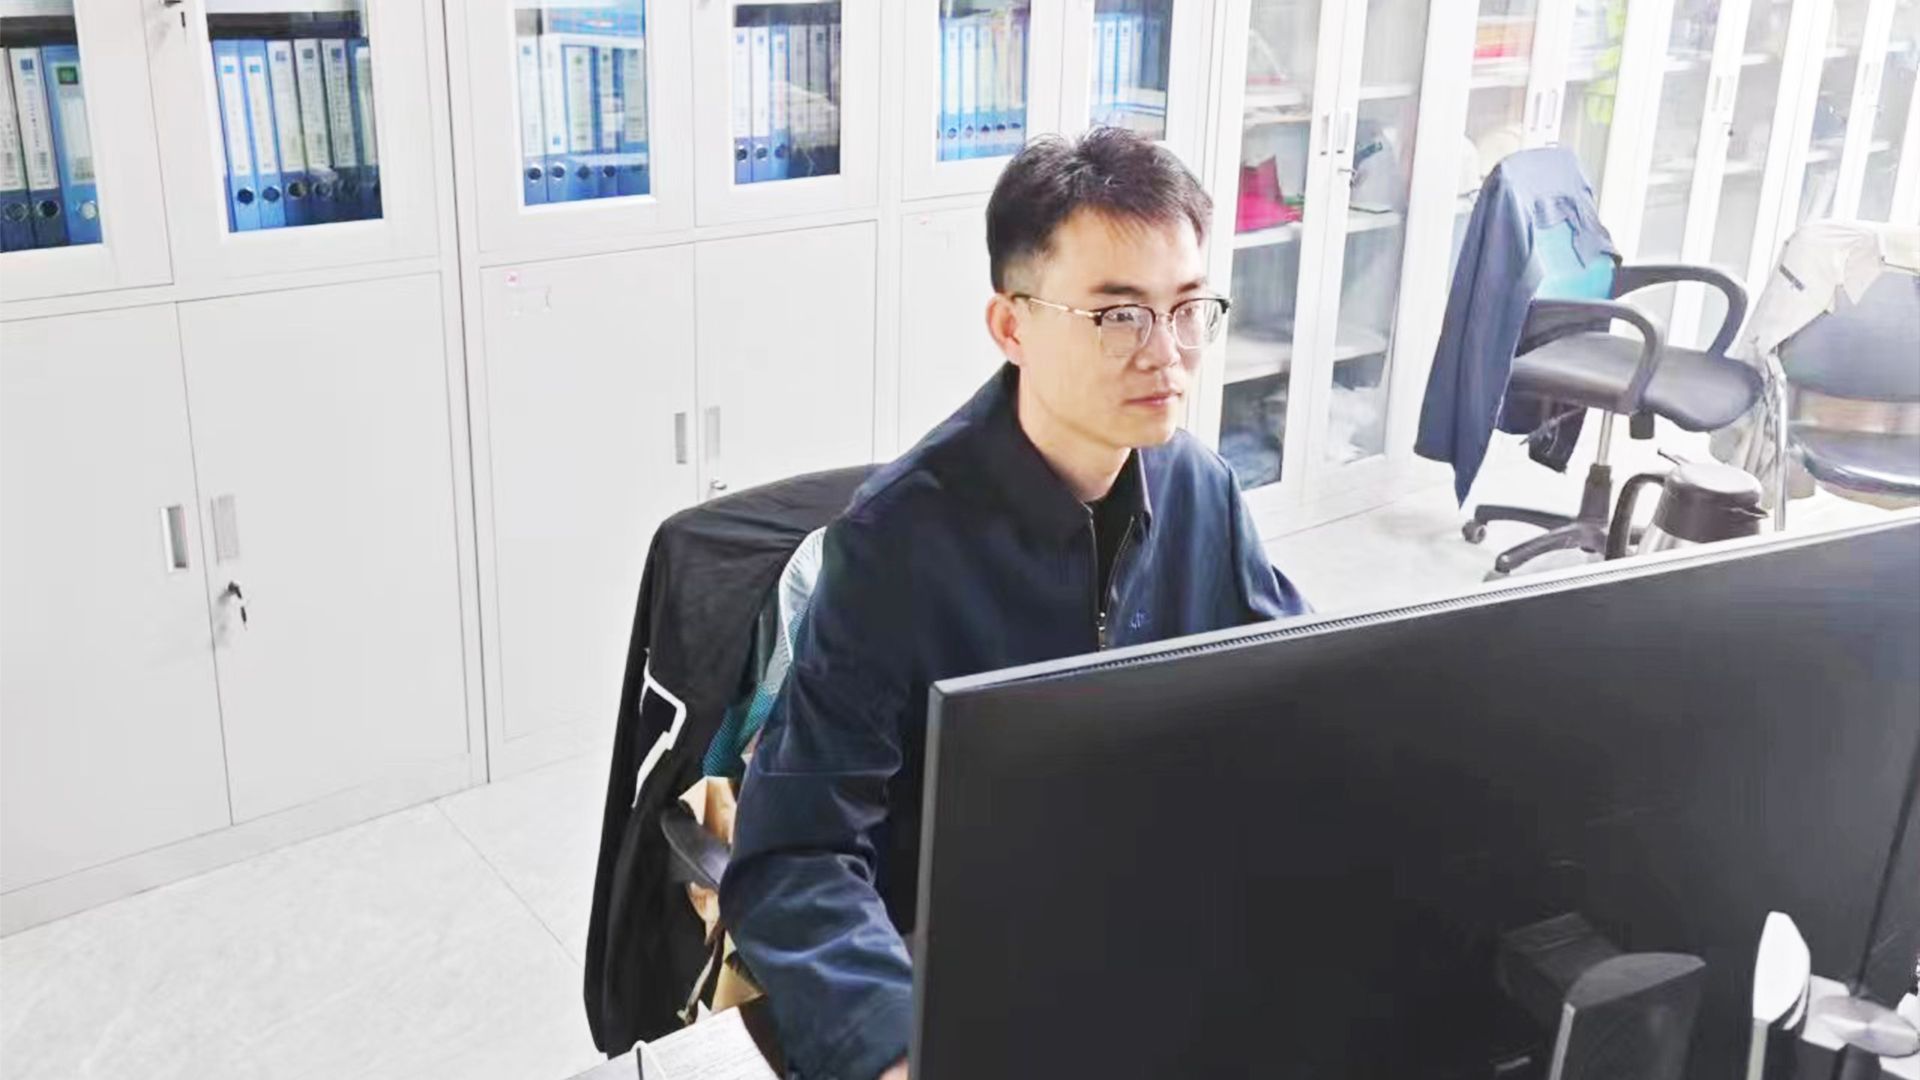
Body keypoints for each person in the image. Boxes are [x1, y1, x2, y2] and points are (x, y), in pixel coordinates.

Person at [718, 127, 1308, 1080]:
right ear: (1012, 326)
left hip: (1139, 922)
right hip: (961, 956)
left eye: (1187, 308)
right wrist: (896, 1047)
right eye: (1120, 316)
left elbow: (1299, 695)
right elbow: (798, 853)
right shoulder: (892, 547)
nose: (1167, 354)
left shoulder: (1200, 488)